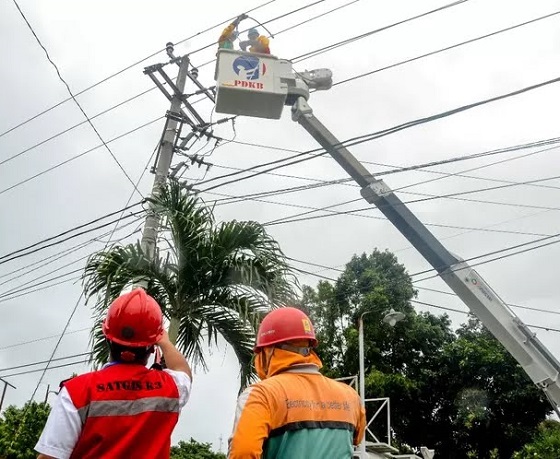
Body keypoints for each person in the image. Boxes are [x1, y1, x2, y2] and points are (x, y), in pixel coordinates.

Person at [35, 288, 192, 459]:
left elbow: (51, 456)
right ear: (151, 346)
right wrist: (165, 342)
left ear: (108, 339)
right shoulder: (171, 388)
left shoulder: (76, 392)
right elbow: (183, 372)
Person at [228, 307, 366, 459]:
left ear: (269, 351)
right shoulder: (351, 397)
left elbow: (242, 453)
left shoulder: (261, 395)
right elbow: (355, 440)